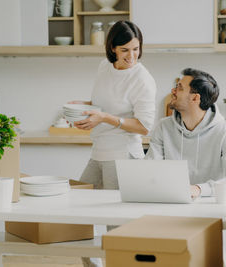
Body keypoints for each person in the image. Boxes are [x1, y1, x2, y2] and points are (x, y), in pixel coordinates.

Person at [71, 21, 156, 267]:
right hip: (98, 152)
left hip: (122, 157)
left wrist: (105, 118)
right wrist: (83, 107)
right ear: (113, 49)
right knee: (75, 214)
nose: (132, 56)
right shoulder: (104, 67)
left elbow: (144, 126)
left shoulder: (142, 78)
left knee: (116, 227)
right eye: (125, 50)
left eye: (136, 49)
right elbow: (104, 103)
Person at [145, 68, 226, 198]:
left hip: (210, 205)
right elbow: (150, 170)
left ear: (195, 98)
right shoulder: (163, 127)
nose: (173, 91)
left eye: (179, 88)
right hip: (170, 201)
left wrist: (198, 189)